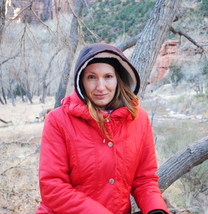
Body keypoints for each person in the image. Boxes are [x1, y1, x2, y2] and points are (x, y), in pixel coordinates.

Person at [35, 43, 169, 214]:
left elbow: (144, 179)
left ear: (118, 78)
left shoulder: (138, 118)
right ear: (81, 80)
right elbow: (53, 187)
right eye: (91, 77)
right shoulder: (58, 120)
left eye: (107, 76)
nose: (100, 87)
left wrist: (155, 209)